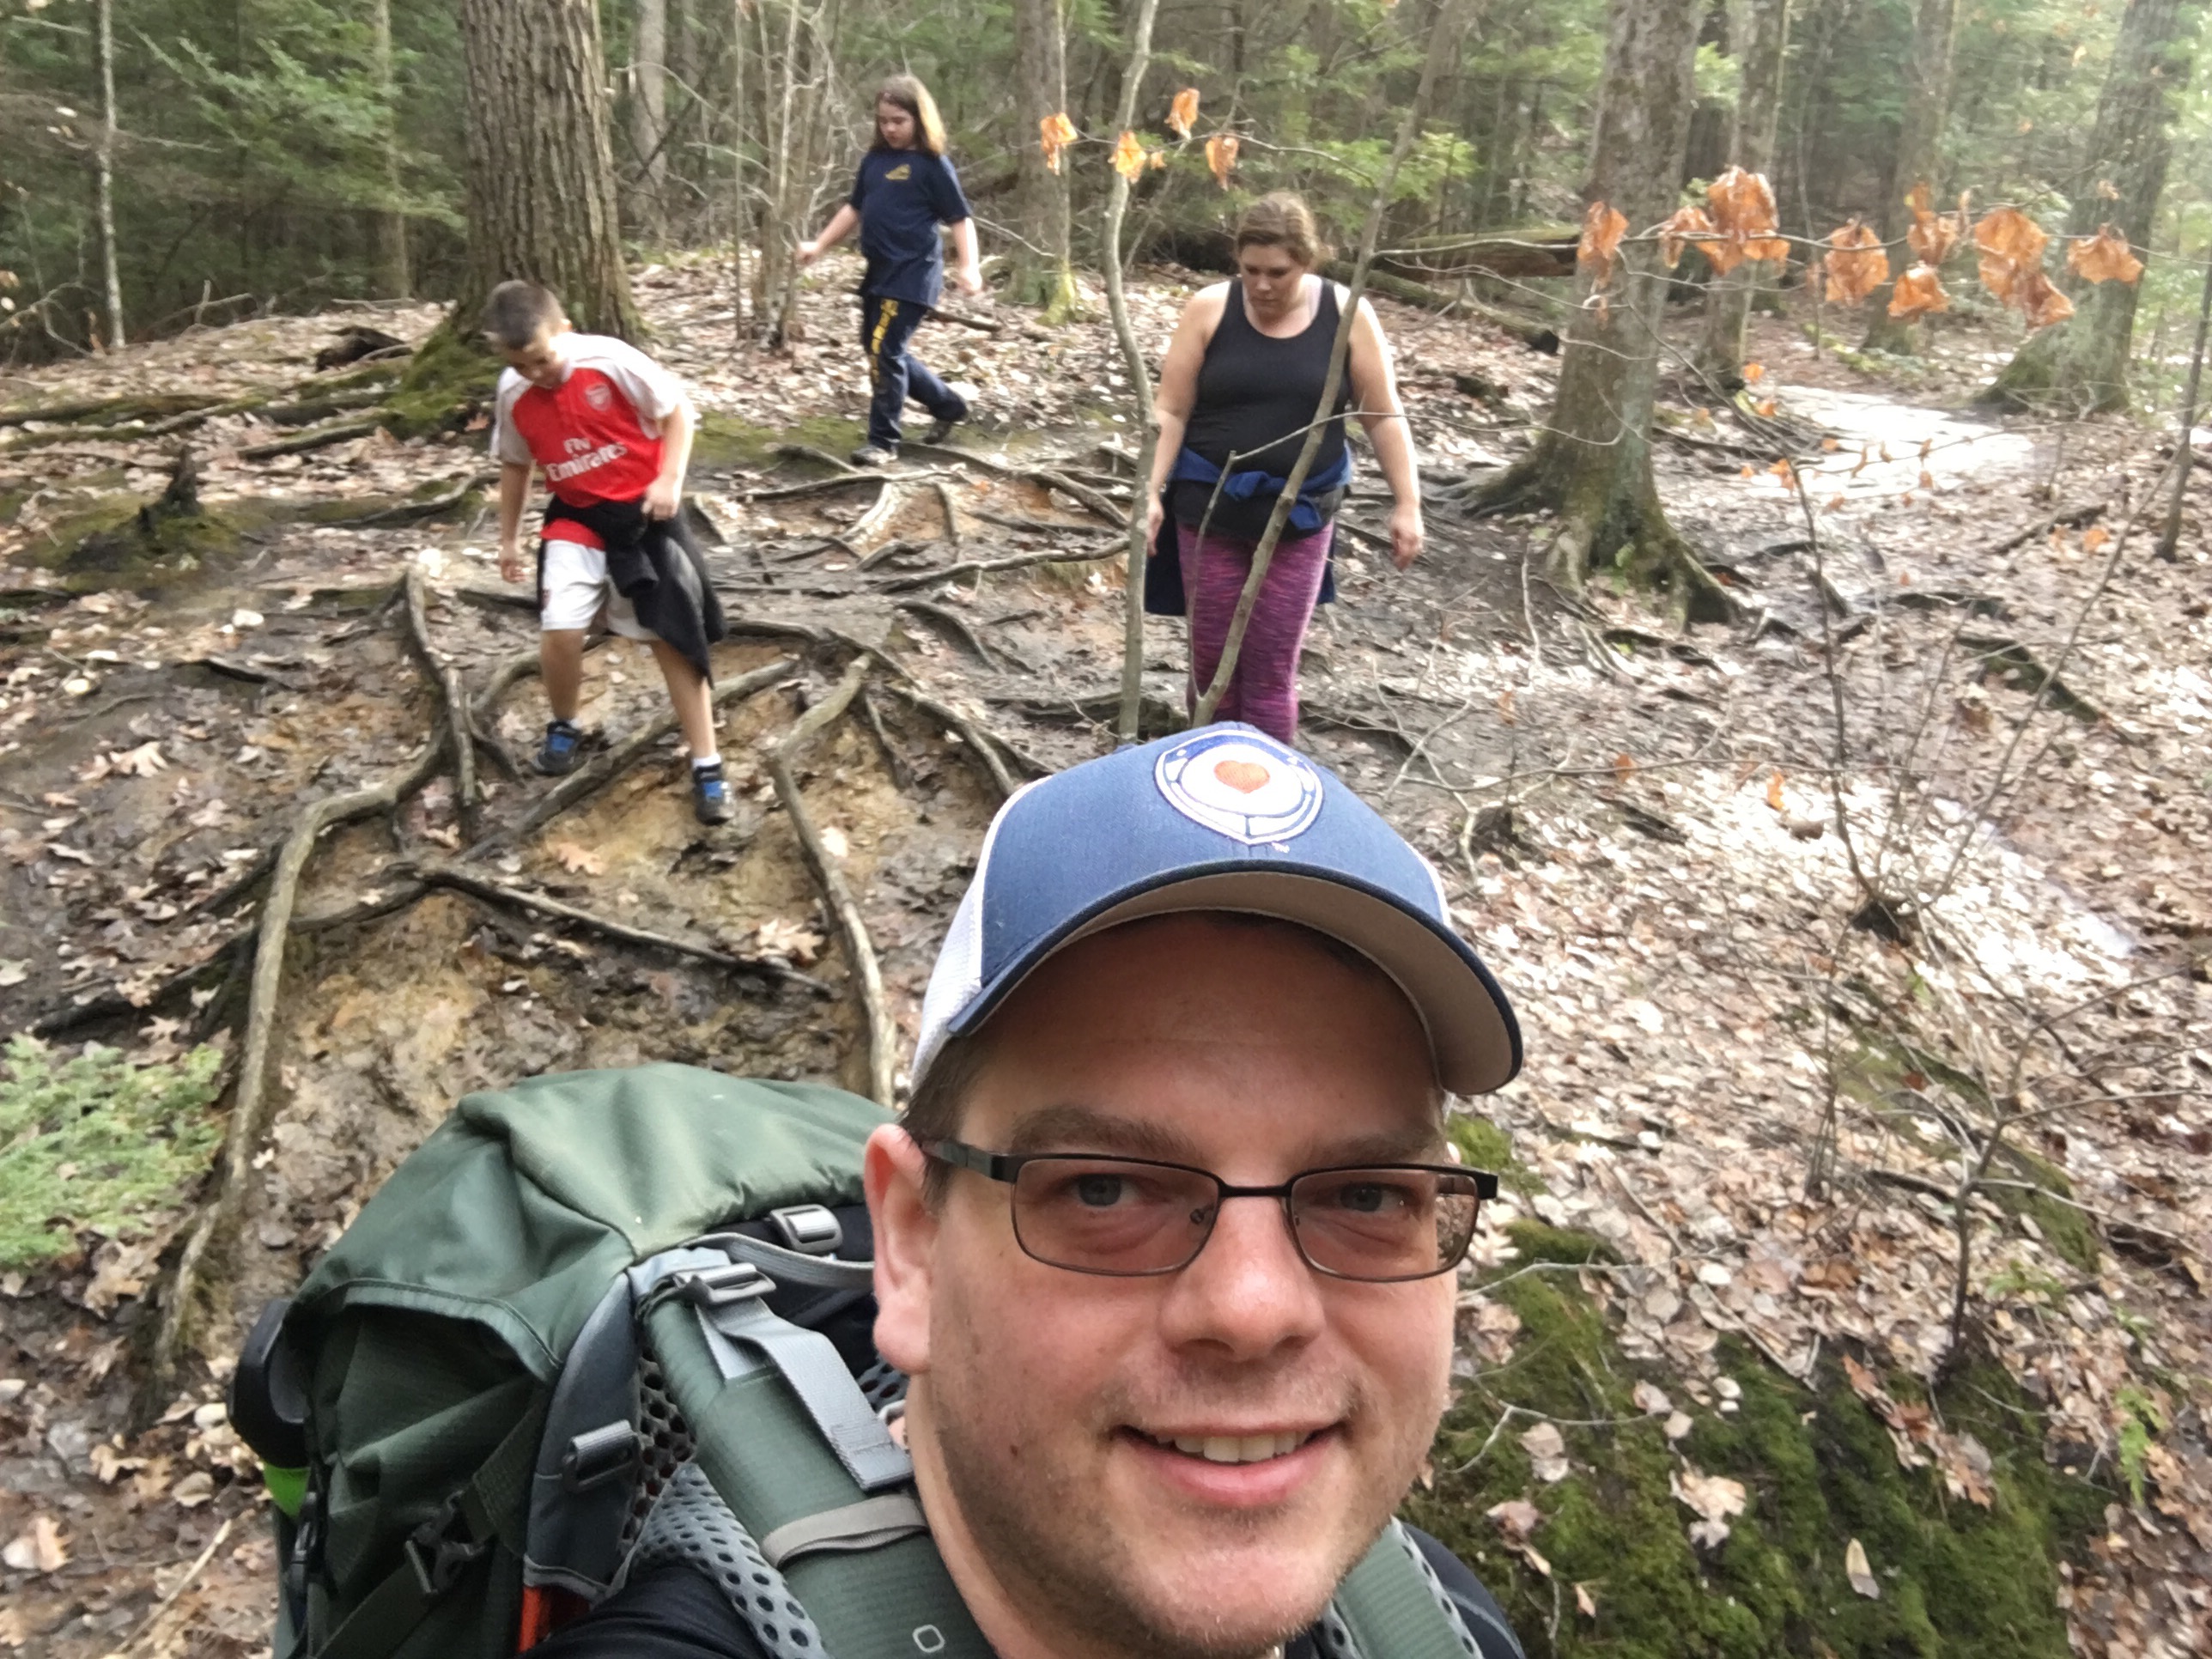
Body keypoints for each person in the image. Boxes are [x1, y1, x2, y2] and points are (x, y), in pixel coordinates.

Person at [539, 722, 1528, 1659]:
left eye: (1364, 1199)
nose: (1251, 1309)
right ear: (912, 1246)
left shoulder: (1440, 1621)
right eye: (1104, 1191)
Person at [1146, 193, 1425, 745]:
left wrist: (1408, 503)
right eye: (1250, 270)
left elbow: (1382, 415)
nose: (1262, 285)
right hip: (1209, 511)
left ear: (1308, 261)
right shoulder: (1209, 309)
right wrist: (1150, 493)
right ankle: (1207, 778)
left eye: (1278, 273)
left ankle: (1263, 785)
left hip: (1300, 518)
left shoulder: (1347, 316)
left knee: (1271, 673)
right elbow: (1171, 410)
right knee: (1212, 672)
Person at [487, 280, 735, 825]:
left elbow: (678, 412)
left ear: (565, 331)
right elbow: (515, 464)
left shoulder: (611, 360)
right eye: (520, 365)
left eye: (543, 359)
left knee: (674, 637)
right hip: (576, 517)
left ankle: (707, 764)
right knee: (560, 630)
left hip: (646, 514)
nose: (535, 373)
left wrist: (669, 480)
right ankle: (565, 724)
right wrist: (508, 538)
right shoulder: (513, 392)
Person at [797, 75, 983, 468]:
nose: (890, 128)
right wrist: (819, 244)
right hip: (879, 272)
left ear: (919, 119)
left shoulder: (933, 165)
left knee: (883, 351)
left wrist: (969, 267)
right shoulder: (875, 161)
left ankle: (883, 441)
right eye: (884, 121)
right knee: (881, 348)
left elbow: (960, 218)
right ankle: (948, 405)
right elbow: (855, 208)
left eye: (899, 120)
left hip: (914, 274)